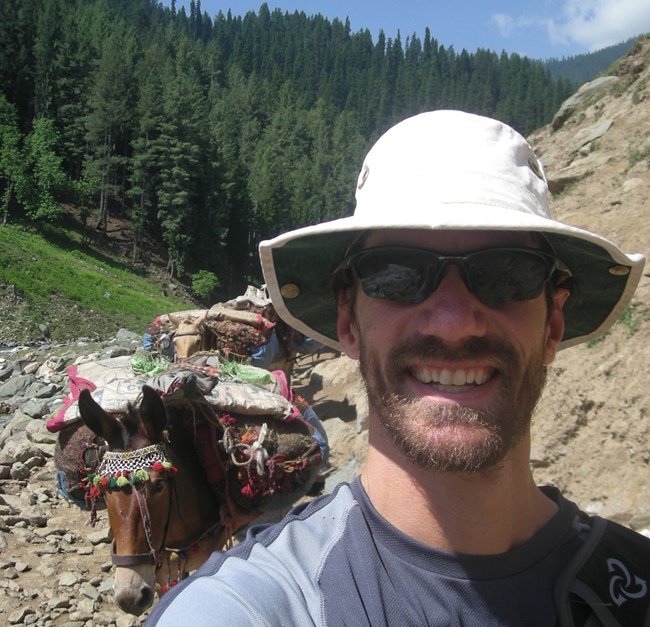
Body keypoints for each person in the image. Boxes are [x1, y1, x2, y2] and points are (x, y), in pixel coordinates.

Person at [145, 110, 649, 626]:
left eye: (506, 274)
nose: (454, 323)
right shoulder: (252, 607)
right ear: (349, 323)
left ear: (552, 325)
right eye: (396, 274)